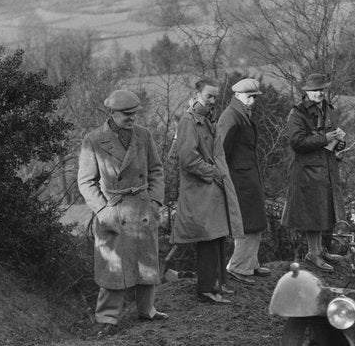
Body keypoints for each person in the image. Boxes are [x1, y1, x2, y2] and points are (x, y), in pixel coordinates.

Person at [77, 89, 167, 329]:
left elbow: (156, 170)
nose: (131, 118)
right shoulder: (93, 140)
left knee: (147, 263)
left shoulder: (144, 136)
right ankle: (107, 318)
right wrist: (103, 212)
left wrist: (155, 202)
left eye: (134, 113)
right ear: (112, 112)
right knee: (112, 269)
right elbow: (85, 182)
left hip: (142, 209)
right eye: (126, 114)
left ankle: (147, 310)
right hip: (113, 211)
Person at [171, 79, 243, 304]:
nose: (212, 101)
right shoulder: (189, 121)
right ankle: (207, 289)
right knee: (208, 238)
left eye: (215, 97)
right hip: (201, 189)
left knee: (219, 235)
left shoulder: (206, 120)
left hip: (213, 187)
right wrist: (212, 173)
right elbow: (187, 159)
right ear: (197, 95)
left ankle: (219, 283)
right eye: (208, 96)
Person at [281, 72, 346, 272]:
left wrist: (339, 143)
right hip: (307, 170)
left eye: (322, 90)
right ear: (307, 91)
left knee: (323, 211)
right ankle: (313, 253)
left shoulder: (328, 108)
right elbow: (297, 143)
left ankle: (319, 249)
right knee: (313, 213)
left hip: (326, 166)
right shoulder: (297, 113)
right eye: (316, 90)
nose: (319, 93)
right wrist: (326, 138)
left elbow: (329, 135)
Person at [216, 75, 272, 285]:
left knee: (254, 222)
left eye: (255, 97)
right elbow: (221, 152)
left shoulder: (241, 114)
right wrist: (225, 179)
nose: (253, 101)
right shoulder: (231, 116)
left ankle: (250, 263)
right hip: (239, 180)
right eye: (249, 97)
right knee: (247, 223)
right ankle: (239, 266)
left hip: (247, 178)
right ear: (238, 95)